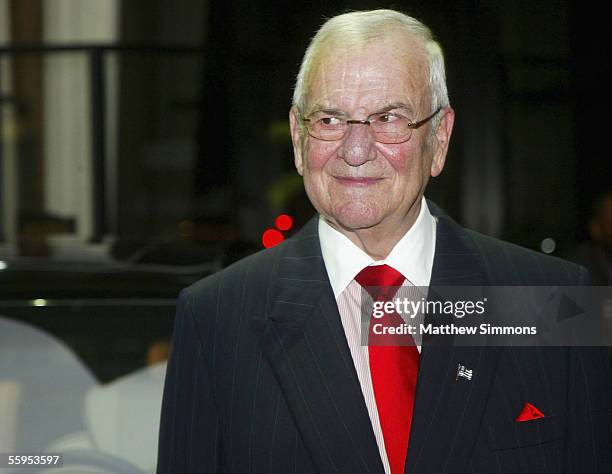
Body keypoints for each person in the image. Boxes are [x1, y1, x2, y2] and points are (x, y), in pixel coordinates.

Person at [157, 9, 612, 473]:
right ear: (298, 138)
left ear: (439, 138)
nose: (355, 151)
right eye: (331, 119)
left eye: (389, 118)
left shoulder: (552, 303)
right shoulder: (218, 319)